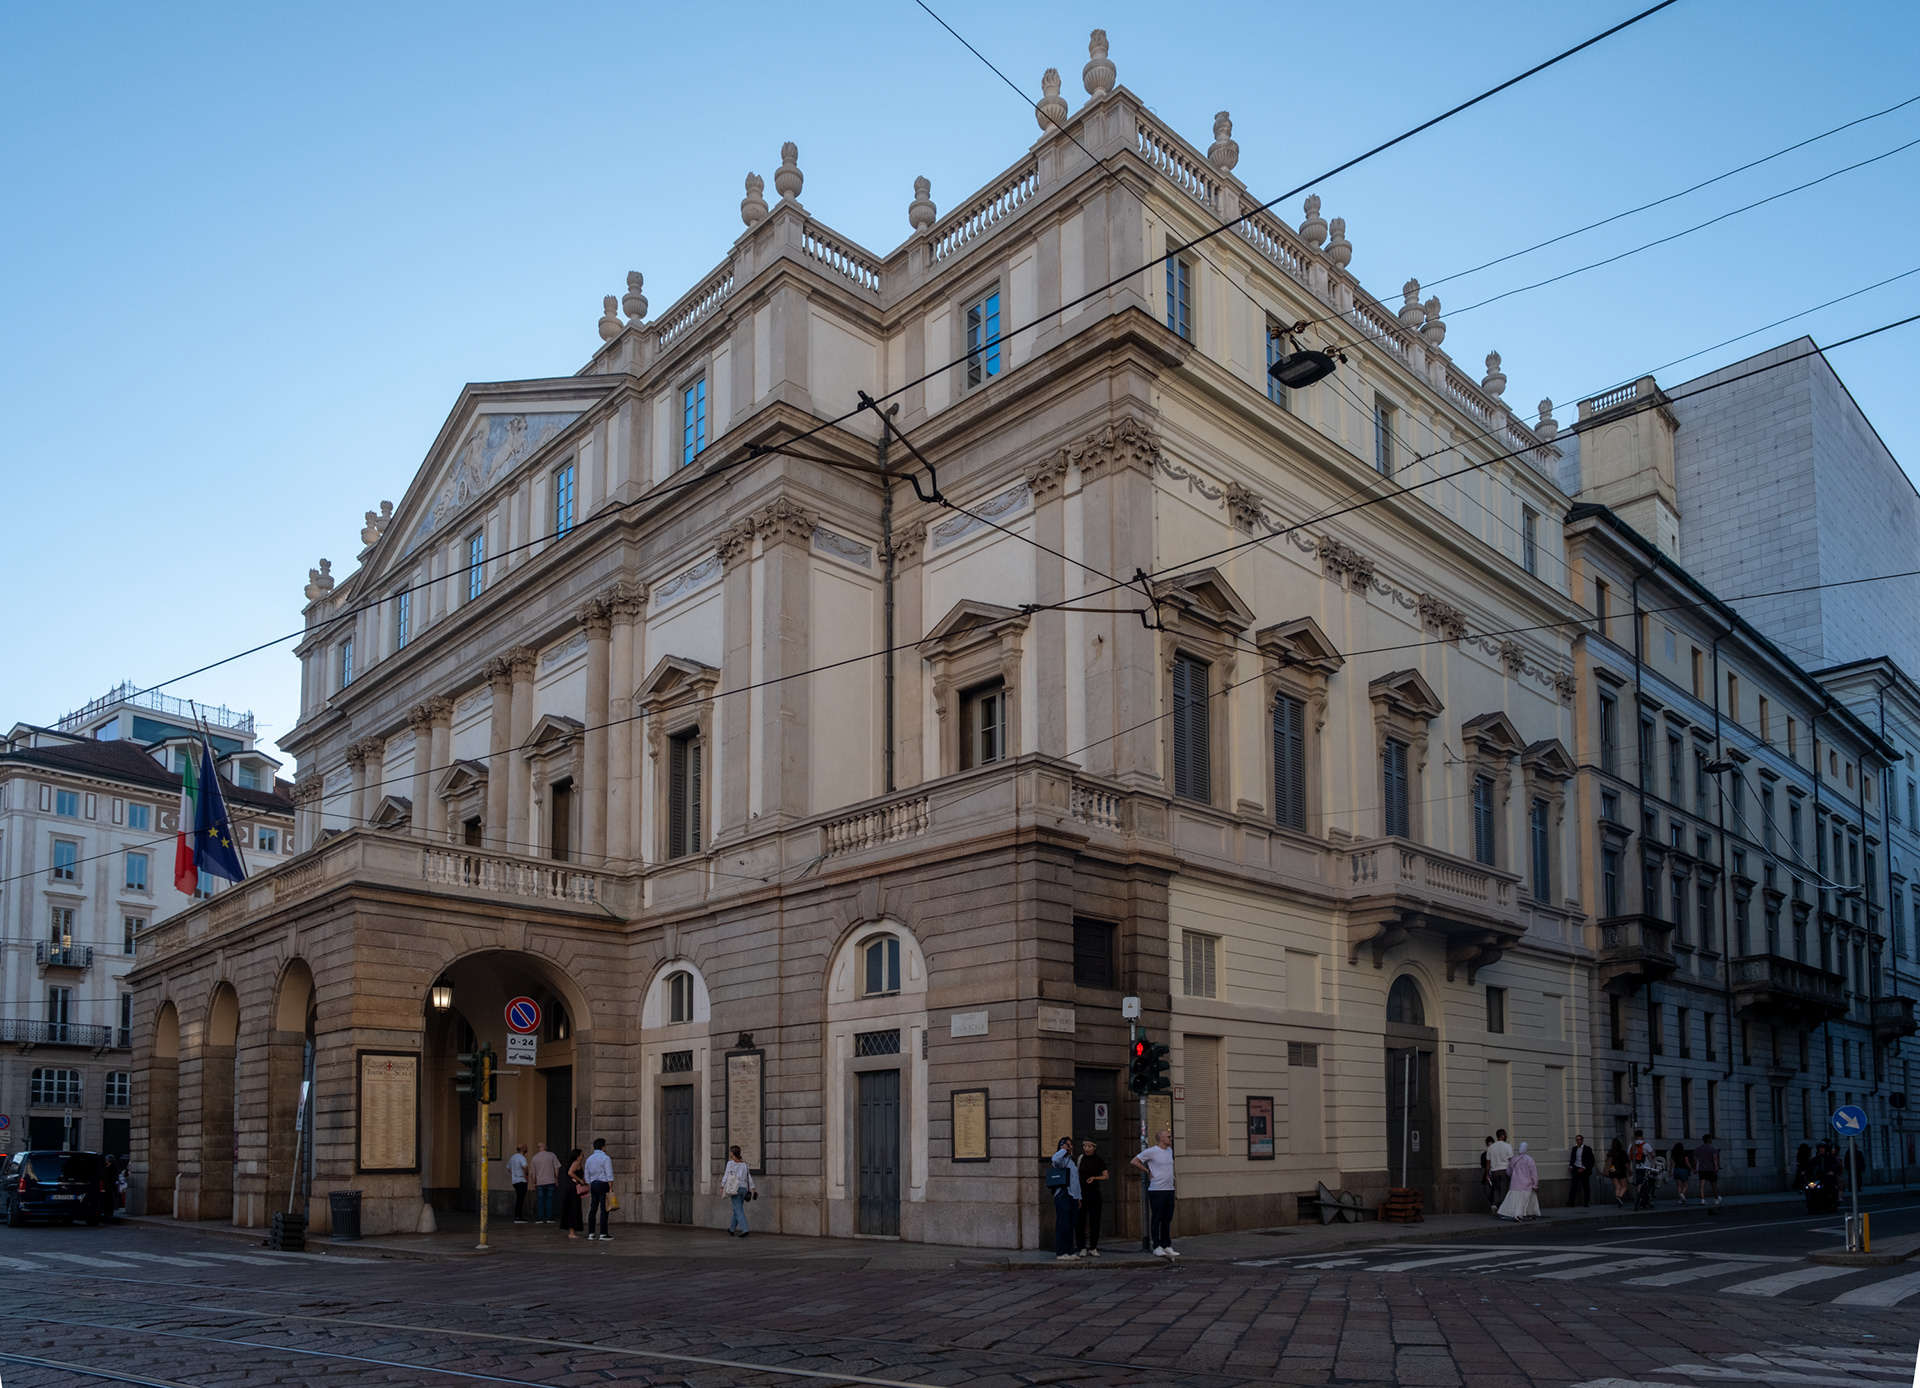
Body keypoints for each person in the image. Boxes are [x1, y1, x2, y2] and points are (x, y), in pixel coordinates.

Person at [1132, 1128, 1178, 1258]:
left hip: (1169, 1189)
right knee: (1157, 1218)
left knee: (1167, 1219)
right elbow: (1135, 1161)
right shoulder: (1151, 1151)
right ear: (1161, 1138)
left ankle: (1166, 1244)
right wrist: (1147, 1171)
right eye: (1168, 1136)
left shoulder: (1169, 1151)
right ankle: (1156, 1246)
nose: (1170, 1138)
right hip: (1157, 1190)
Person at [1049, 1136, 1082, 1260]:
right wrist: (1063, 1150)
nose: (1070, 1147)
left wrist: (1078, 1197)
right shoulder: (1061, 1159)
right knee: (1063, 1224)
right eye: (1068, 1144)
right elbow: (1054, 1159)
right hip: (1063, 1194)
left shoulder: (1071, 1161)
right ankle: (1061, 1252)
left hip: (1073, 1196)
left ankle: (1070, 1251)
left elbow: (1076, 1181)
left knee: (1070, 1225)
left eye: (1071, 1145)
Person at [1076, 1139, 1108, 1257]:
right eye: (1085, 1146)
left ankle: (1093, 1247)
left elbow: (1106, 1176)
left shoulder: (1099, 1160)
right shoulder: (1080, 1159)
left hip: (1094, 1193)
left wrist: (1095, 1178)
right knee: (1080, 1221)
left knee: (1095, 1221)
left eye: (1089, 1146)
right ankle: (1082, 1247)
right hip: (1081, 1193)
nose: (1087, 1149)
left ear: (1094, 1147)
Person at [1497, 1141, 1542, 1220]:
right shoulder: (1529, 1159)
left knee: (1515, 1201)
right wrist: (1535, 1184)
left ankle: (1513, 1213)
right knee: (1529, 1200)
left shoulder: (1514, 1159)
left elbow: (1508, 1171)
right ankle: (1527, 1213)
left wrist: (1513, 1176)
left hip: (1515, 1184)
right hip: (1527, 1184)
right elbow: (1533, 1173)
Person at [583, 1138, 614, 1242]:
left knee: (593, 1208)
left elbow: (587, 1174)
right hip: (603, 1184)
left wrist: (589, 1184)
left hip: (593, 1184)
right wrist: (611, 1187)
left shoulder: (589, 1159)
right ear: (603, 1147)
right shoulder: (605, 1158)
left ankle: (591, 1233)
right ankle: (603, 1233)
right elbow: (609, 1174)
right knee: (604, 1209)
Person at [722, 1144, 755, 1237]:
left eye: (730, 1152)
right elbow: (748, 1177)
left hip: (734, 1188)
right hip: (743, 1188)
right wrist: (753, 1187)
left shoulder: (730, 1163)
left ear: (732, 1153)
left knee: (738, 1209)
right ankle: (731, 1229)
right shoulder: (744, 1164)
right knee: (737, 1209)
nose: (729, 1153)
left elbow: (726, 1175)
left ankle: (745, 1229)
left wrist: (722, 1185)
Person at [529, 1141, 561, 1223]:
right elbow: (557, 1167)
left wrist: (534, 1182)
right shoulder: (551, 1155)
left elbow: (533, 1173)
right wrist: (556, 1178)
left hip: (540, 1182)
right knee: (549, 1200)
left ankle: (540, 1218)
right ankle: (549, 1218)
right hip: (550, 1180)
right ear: (545, 1147)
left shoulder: (535, 1158)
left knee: (540, 1200)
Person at [559, 1147, 586, 1240]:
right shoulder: (576, 1163)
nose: (583, 1156)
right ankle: (572, 1232)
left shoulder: (572, 1163)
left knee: (571, 1208)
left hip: (570, 1187)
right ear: (577, 1156)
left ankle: (572, 1230)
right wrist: (579, 1180)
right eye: (582, 1155)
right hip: (573, 1188)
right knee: (573, 1208)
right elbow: (570, 1172)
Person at [1487, 1129, 1514, 1212]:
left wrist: (1487, 1174)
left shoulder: (1491, 1147)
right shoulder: (1507, 1146)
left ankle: (1495, 1204)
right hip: (1504, 1170)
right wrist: (1513, 1170)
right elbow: (1511, 1159)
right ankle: (1502, 1207)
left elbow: (1488, 1162)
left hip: (1494, 1170)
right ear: (1502, 1136)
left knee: (1496, 1188)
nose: (1506, 1136)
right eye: (1505, 1134)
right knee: (1504, 1189)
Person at [1629, 1128, 1656, 1210]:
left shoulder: (1631, 1146)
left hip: (1635, 1168)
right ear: (1642, 1136)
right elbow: (1653, 1157)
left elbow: (1629, 1157)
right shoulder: (1646, 1145)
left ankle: (1639, 1197)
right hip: (1646, 1167)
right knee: (1647, 1184)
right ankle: (1643, 1198)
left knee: (1639, 1183)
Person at [1695, 1132, 1721, 1207]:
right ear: (1709, 1140)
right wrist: (1716, 1167)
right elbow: (1715, 1158)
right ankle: (1716, 1199)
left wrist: (1695, 1167)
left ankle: (1703, 1199)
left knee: (1702, 1185)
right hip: (1711, 1169)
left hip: (1702, 1169)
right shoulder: (1713, 1149)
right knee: (1714, 1185)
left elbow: (1695, 1158)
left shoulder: (1698, 1149)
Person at [1567, 1134, 1594, 1207]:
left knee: (1586, 1186)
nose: (1578, 1141)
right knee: (1574, 1185)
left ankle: (1586, 1202)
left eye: (1579, 1140)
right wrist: (1571, 1166)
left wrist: (1584, 1167)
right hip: (1576, 1168)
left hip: (1584, 1169)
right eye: (1576, 1140)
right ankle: (1571, 1202)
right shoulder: (1574, 1149)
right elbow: (1572, 1158)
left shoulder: (1587, 1149)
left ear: (1582, 1140)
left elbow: (1591, 1160)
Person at [1605, 1138, 1631, 1206]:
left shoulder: (1610, 1152)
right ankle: (1619, 1197)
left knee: (1617, 1187)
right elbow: (1626, 1164)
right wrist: (1629, 1171)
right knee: (1624, 1186)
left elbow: (1608, 1162)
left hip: (1612, 1170)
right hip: (1621, 1170)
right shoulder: (1622, 1152)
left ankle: (1618, 1198)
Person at [508, 1143, 530, 1224]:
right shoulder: (522, 1158)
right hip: (521, 1180)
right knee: (521, 1199)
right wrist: (526, 1174)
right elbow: (525, 1167)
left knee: (519, 1198)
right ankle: (518, 1217)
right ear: (523, 1149)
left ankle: (518, 1216)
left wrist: (514, 1174)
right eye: (526, 1147)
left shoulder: (513, 1157)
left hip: (515, 1180)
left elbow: (508, 1167)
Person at [1480, 1137, 1495, 1208]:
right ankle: (1493, 1203)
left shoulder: (1496, 1153)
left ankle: (1495, 1204)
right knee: (1487, 1191)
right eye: (1489, 1145)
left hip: (1495, 1173)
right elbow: (1483, 1165)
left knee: (1495, 1190)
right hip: (1488, 1175)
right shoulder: (1484, 1155)